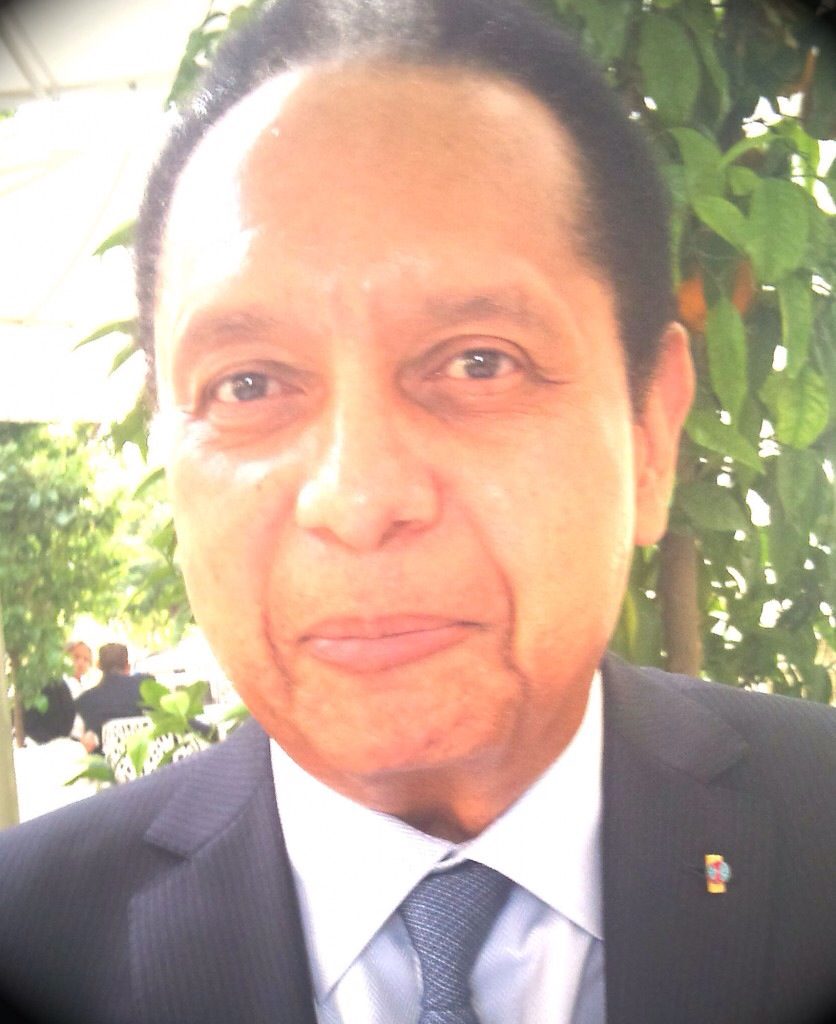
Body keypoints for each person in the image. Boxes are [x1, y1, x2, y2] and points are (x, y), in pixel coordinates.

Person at [0, 1, 834, 1023]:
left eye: (480, 362)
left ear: (652, 436)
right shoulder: (26, 930)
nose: (357, 500)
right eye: (248, 384)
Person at [73, 643, 149, 754]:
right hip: (146, 759)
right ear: (128, 666)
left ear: (98, 665)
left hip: (103, 763)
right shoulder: (146, 686)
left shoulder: (84, 701)